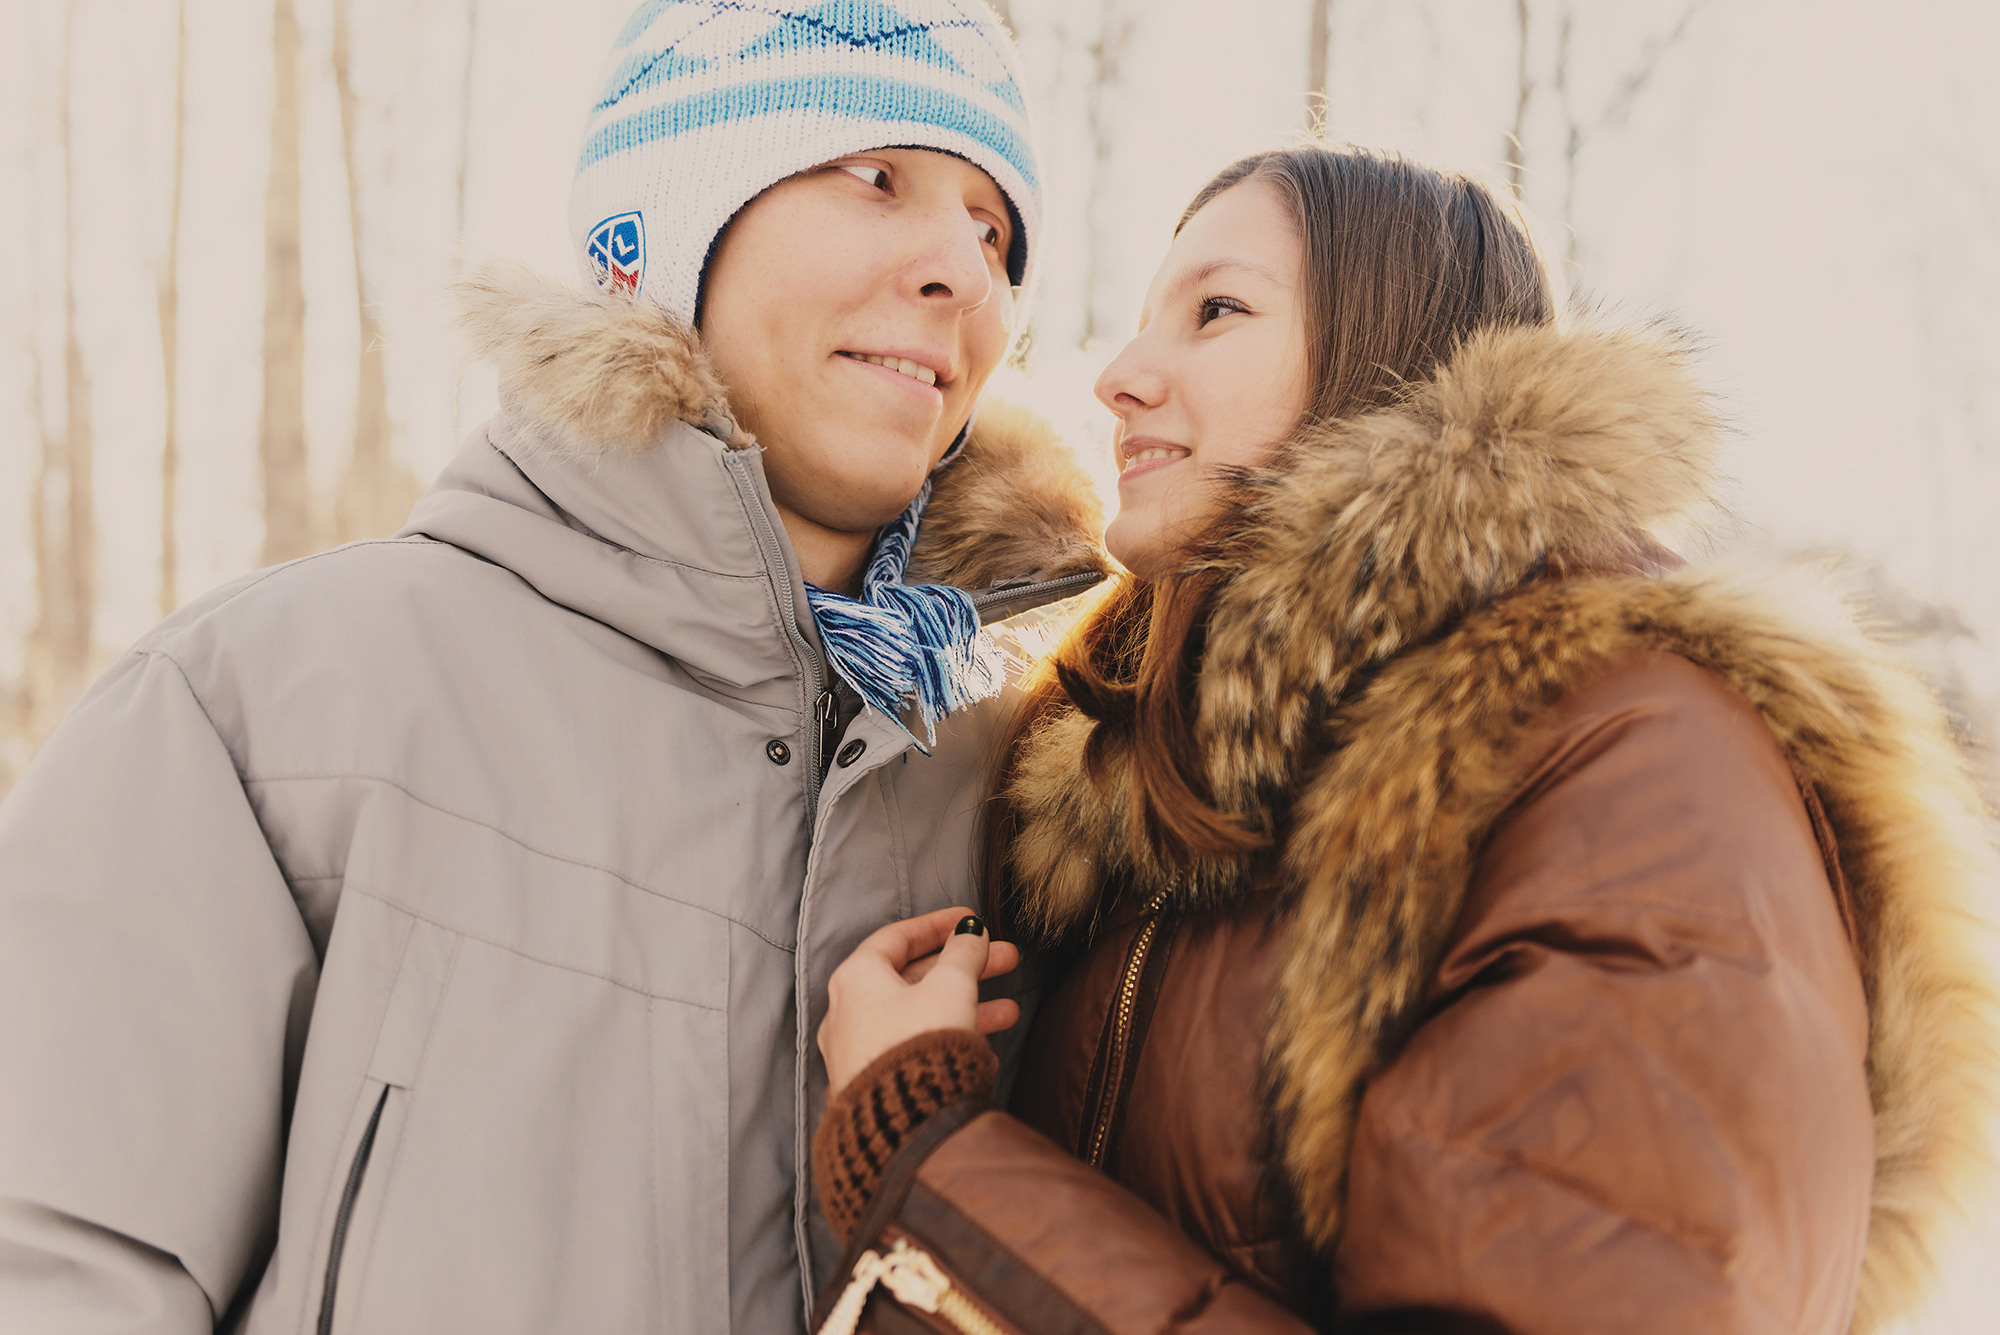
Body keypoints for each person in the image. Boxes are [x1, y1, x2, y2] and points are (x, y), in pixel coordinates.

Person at [0, 2, 1110, 1331]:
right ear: (668, 233)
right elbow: (59, 1263)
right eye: (875, 176)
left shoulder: (1047, 778)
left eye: (996, 231)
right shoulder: (269, 704)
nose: (963, 273)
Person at [809, 146, 1998, 1334]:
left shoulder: (1628, 761)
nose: (1119, 377)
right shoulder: (1180, 780)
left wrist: (927, 1165)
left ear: (1390, 352)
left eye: (1214, 311)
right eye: (1137, 324)